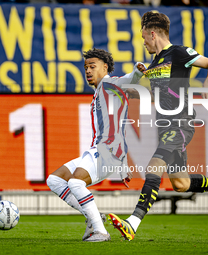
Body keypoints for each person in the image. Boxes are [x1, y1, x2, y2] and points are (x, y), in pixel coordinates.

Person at [108, 11, 208, 241]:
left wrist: (206, 90)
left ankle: (133, 222)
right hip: (165, 125)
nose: (144, 43)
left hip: (180, 123)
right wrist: (136, 93)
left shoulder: (179, 52)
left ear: (152, 33)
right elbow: (160, 93)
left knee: (153, 167)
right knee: (181, 183)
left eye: (144, 38)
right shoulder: (155, 62)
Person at [46, 48, 145, 242]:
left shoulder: (109, 84)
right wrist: (123, 164)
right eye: (85, 68)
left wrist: (138, 71)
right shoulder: (100, 91)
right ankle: (93, 217)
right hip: (101, 150)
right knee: (55, 180)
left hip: (106, 151)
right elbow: (120, 130)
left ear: (105, 67)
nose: (88, 71)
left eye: (92, 66)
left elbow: (127, 80)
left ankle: (100, 231)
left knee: (75, 182)